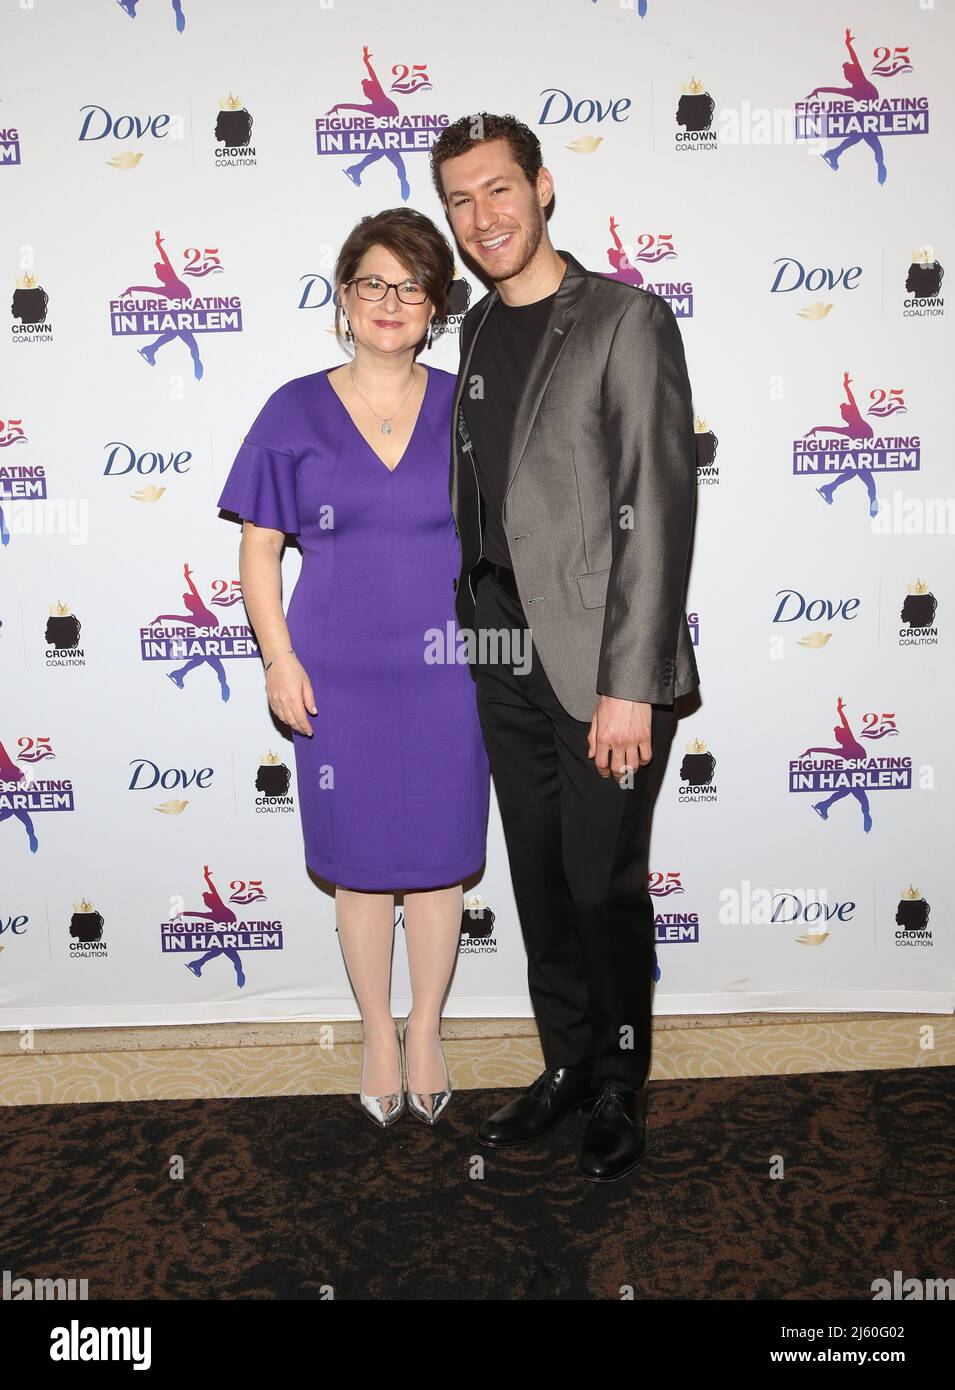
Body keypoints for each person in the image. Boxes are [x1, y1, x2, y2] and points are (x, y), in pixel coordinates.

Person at [430, 113, 701, 1182]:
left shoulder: (626, 320)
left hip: (601, 666)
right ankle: (565, 1065)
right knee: (539, 881)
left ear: (543, 189)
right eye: (459, 198)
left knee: (601, 884)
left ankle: (621, 1082)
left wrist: (629, 685)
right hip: (499, 650)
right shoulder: (473, 330)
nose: (481, 216)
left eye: (498, 190)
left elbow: (657, 505)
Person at [216, 208, 490, 1130]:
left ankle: (425, 1032)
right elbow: (260, 555)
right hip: (335, 668)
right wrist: (277, 660)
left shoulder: (468, 404)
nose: (390, 301)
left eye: (412, 286)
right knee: (364, 866)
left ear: (436, 305)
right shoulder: (293, 408)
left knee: (440, 867)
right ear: (343, 296)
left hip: (450, 668)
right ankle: (377, 1031)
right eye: (372, 282)